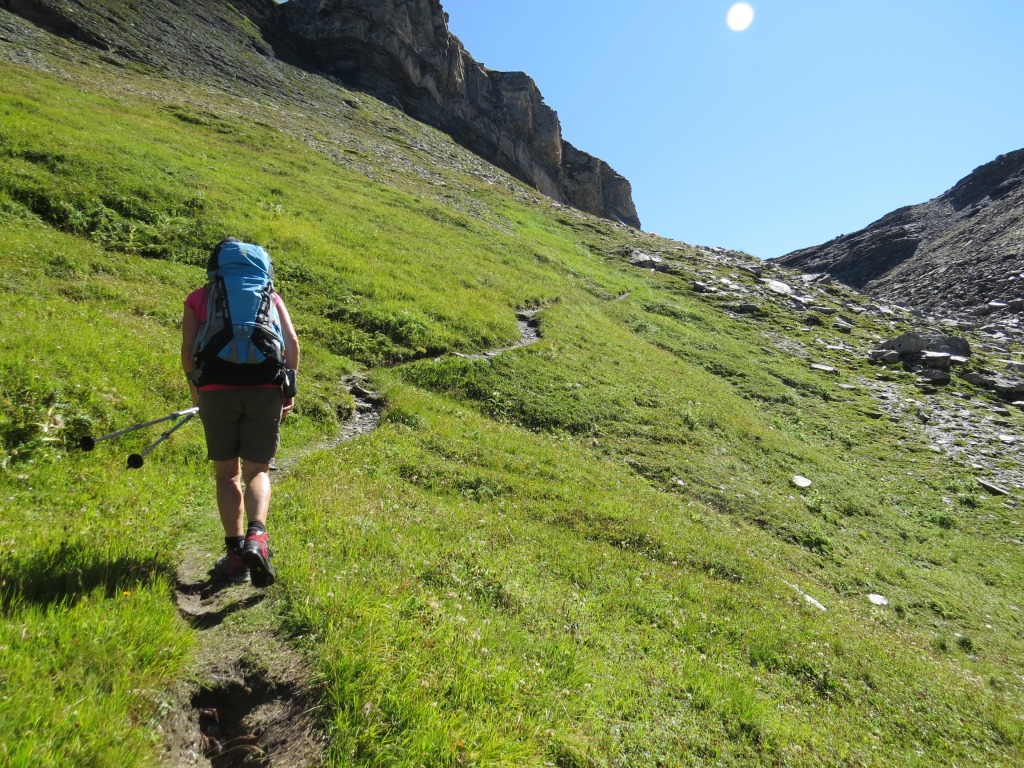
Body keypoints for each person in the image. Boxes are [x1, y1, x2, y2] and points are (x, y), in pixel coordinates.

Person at [181, 238, 300, 587]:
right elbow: (292, 343)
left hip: (216, 389)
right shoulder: (270, 296)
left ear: (214, 267)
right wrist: (289, 390)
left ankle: (235, 554)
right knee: (257, 470)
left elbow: (187, 350)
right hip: (264, 388)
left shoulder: (199, 298)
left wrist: (197, 390)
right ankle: (257, 538)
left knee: (226, 475)